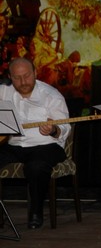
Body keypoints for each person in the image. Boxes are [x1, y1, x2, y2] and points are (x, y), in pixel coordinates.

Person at [0, 57, 71, 229]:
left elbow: (64, 127)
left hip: (47, 146)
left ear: (35, 73)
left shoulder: (51, 95)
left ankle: (36, 212)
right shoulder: (3, 92)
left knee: (36, 167)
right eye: (17, 78)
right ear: (10, 77)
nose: (23, 82)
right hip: (13, 144)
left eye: (27, 76)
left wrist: (53, 129)